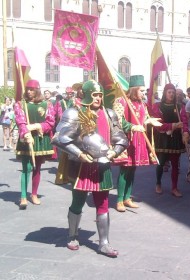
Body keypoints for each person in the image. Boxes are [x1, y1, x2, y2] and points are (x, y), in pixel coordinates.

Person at [52, 80, 128, 257]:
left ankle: (104, 243)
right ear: (86, 94)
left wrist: (114, 152)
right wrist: (79, 154)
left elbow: (121, 138)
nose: (98, 98)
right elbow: (59, 137)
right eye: (95, 95)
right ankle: (73, 235)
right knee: (78, 201)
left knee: (103, 202)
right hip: (81, 166)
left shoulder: (109, 114)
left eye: (100, 95)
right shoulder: (75, 113)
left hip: (102, 164)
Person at [113, 75, 161, 212]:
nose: (144, 94)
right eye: (142, 91)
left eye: (145, 91)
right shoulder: (121, 101)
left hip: (138, 140)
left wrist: (149, 121)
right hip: (126, 139)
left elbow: (143, 118)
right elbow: (117, 121)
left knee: (133, 169)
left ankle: (128, 197)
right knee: (124, 170)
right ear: (134, 90)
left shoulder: (142, 104)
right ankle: (119, 200)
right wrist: (132, 127)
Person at [14, 80, 56, 209]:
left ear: (37, 90)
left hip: (39, 139)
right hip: (26, 139)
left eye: (32, 89)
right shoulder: (21, 104)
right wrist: (26, 132)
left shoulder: (47, 104)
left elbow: (50, 122)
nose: (28, 91)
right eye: (27, 89)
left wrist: (36, 126)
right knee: (26, 168)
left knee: (37, 168)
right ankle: (23, 196)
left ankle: (34, 194)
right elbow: (20, 121)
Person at [151, 83, 189, 197]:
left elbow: (184, 122)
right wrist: (173, 125)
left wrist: (185, 132)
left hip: (176, 138)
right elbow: (158, 124)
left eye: (173, 92)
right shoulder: (157, 106)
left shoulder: (179, 107)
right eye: (169, 92)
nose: (171, 94)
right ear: (165, 93)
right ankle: (158, 183)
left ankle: (174, 187)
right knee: (161, 162)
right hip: (162, 137)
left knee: (175, 164)